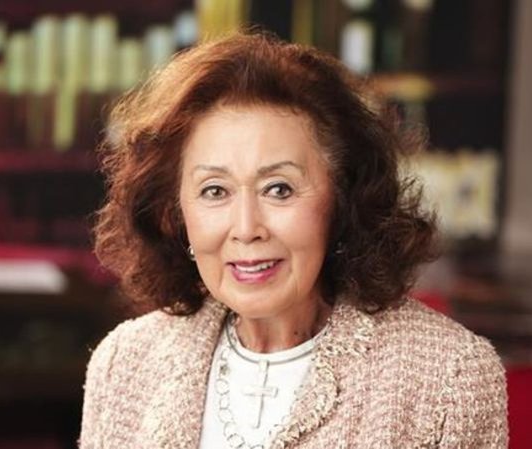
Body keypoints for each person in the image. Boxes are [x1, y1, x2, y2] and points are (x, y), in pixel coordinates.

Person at [80, 32, 507, 449]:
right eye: (215, 191)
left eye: (279, 189)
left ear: (342, 197)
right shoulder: (125, 362)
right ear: (176, 213)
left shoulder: (448, 377)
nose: (246, 227)